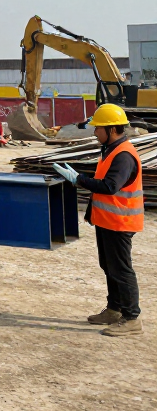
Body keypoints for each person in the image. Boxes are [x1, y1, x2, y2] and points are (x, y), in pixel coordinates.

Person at [55, 104, 143, 337]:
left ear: (112, 129)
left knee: (122, 270)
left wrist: (78, 179)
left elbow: (110, 187)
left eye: (98, 129)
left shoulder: (123, 155)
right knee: (109, 266)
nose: (94, 132)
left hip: (120, 222)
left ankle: (131, 318)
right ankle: (114, 309)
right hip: (108, 220)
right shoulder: (111, 150)